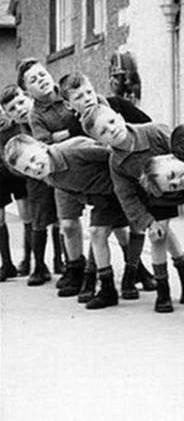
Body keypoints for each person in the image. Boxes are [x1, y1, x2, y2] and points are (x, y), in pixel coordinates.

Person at [81, 104, 184, 313]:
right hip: (158, 198)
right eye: (103, 131)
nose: (111, 130)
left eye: (111, 122)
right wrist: (147, 222)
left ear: (119, 116)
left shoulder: (153, 132)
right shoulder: (117, 163)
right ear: (100, 141)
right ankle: (164, 290)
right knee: (158, 235)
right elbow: (126, 196)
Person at [59, 72, 156, 298]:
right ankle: (93, 278)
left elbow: (146, 126)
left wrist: (122, 135)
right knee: (100, 228)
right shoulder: (75, 125)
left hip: (129, 173)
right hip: (103, 184)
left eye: (88, 92)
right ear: (69, 104)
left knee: (134, 225)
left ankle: (134, 273)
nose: (87, 99)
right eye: (79, 97)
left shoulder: (116, 106)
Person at [4, 134, 129, 309]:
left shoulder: (73, 149)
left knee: (152, 230)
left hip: (125, 188)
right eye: (27, 169)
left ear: (42, 146)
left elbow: (112, 155)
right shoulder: (48, 175)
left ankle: (138, 273)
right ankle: (108, 290)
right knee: (96, 232)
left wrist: (128, 186)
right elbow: (74, 190)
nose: (34, 168)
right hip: (103, 198)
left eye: (33, 159)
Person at [17, 59, 87, 295]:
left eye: (42, 74)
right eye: (33, 80)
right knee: (67, 224)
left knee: (112, 222)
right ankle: (76, 270)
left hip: (91, 161)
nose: (41, 81)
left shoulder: (68, 91)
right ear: (28, 91)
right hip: (63, 171)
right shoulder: (35, 115)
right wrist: (72, 131)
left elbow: (91, 109)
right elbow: (44, 143)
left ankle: (136, 269)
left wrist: (62, 135)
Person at [0, 83, 64, 286]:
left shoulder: (24, 122)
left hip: (33, 171)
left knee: (46, 215)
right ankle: (25, 263)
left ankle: (53, 260)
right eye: (12, 107)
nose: (18, 109)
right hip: (15, 173)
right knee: (33, 218)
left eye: (20, 103)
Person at [0, 107, 31, 282]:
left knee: (26, 215)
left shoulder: (17, 126)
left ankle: (27, 260)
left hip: (18, 174)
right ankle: (6, 264)